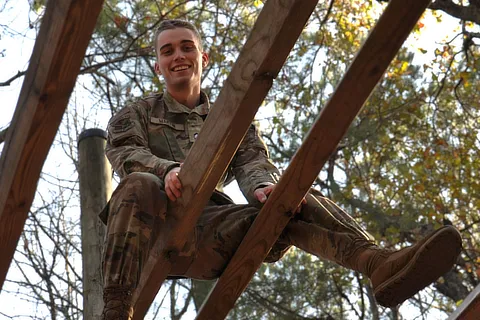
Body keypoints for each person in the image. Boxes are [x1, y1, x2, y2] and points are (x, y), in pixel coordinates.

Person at [100, 19, 462, 319]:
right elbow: (124, 151)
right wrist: (165, 171)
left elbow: (253, 161)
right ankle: (116, 309)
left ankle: (377, 263)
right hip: (153, 232)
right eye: (167, 51)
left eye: (186, 47)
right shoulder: (138, 113)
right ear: (157, 65)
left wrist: (264, 188)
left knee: (289, 201)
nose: (178, 56)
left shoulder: (228, 119)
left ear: (203, 57)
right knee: (138, 183)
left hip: (213, 232)